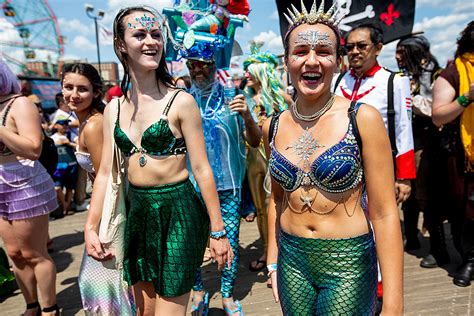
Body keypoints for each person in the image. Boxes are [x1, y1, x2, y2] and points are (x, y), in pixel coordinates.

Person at [85, 6, 233, 315]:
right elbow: (105, 175)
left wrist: (218, 232)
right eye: (139, 34)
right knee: (146, 311)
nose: (150, 41)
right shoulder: (112, 109)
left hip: (178, 211)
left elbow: (202, 169)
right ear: (120, 44)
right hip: (138, 213)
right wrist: (90, 226)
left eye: (155, 34)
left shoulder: (181, 101)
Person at [264, 1, 403, 314]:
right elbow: (275, 200)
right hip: (292, 261)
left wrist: (394, 303)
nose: (312, 60)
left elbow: (384, 214)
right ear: (286, 61)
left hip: (348, 263)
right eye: (300, 51)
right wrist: (273, 258)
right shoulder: (274, 124)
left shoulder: (362, 118)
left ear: (338, 61)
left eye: (324, 52)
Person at [185, 53, 261, 315]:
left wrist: (247, 116)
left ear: (214, 65)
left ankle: (227, 295)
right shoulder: (184, 100)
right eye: (191, 64)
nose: (197, 70)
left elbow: (254, 140)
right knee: (192, 242)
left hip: (229, 185)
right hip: (193, 186)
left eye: (202, 64)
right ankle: (198, 291)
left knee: (230, 239)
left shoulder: (233, 96)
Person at [61, 62, 135, 314]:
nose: (73, 94)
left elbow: (109, 176)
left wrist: (92, 225)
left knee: (102, 283)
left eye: (82, 89)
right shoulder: (85, 122)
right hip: (104, 206)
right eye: (68, 87)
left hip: (111, 209)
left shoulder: (93, 125)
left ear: (95, 92)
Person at [0, 60, 59, 315]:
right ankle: (31, 305)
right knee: (14, 253)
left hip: (25, 184)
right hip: (0, 185)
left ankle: (50, 308)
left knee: (34, 253)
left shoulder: (19, 103)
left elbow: (33, 148)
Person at [334, 22, 416, 204]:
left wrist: (403, 177)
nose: (354, 51)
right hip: (341, 169)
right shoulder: (338, 80)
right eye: (349, 47)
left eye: (362, 46)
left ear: (378, 48)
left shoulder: (394, 81)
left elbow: (404, 129)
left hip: (379, 167)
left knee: (379, 223)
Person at [395, 35, 450, 268]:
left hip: (429, 145)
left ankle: (439, 250)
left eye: (402, 52)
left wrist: (408, 98)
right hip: (407, 143)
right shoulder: (403, 76)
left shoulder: (435, 75)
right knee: (408, 197)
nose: (398, 57)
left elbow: (433, 108)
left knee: (427, 196)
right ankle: (412, 238)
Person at [242, 44, 290, 279]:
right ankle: (265, 251)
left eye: (250, 71)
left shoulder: (282, 99)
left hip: (276, 159)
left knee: (278, 206)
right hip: (253, 159)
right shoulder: (246, 100)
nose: (246, 76)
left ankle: (282, 255)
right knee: (261, 209)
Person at [432, 21, 474, 287]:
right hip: (462, 155)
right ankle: (469, 259)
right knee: (466, 209)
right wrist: (466, 98)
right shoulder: (452, 74)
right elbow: (438, 115)